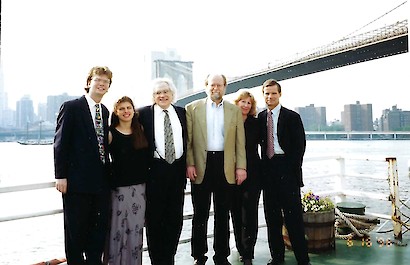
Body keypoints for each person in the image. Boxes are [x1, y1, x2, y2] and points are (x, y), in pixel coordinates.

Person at [186, 74, 247, 265]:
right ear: (206, 87)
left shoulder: (233, 110)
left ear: (225, 87)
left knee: (222, 213)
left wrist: (241, 167)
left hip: (225, 165)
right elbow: (189, 141)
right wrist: (190, 163)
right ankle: (199, 256)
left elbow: (240, 142)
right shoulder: (192, 108)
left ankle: (221, 256)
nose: (215, 88)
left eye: (219, 85)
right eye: (212, 85)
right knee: (200, 213)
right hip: (201, 165)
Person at [54, 66, 113, 265]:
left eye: (106, 82)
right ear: (89, 82)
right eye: (98, 80)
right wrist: (60, 176)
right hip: (77, 183)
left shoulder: (104, 111)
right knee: (75, 235)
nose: (102, 84)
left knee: (97, 235)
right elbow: (60, 143)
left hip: (100, 183)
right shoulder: (71, 107)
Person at [257, 79, 311, 265]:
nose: (270, 96)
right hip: (268, 172)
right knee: (272, 220)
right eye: (266, 93)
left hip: (287, 170)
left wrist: (291, 170)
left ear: (280, 94)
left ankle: (303, 260)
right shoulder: (261, 117)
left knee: (294, 219)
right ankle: (277, 258)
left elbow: (300, 147)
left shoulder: (292, 117)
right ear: (263, 95)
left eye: (273, 93)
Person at [138, 78, 187, 265]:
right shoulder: (143, 114)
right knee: (154, 220)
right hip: (155, 172)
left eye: (165, 91)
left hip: (177, 171)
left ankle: (170, 258)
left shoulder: (182, 113)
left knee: (175, 219)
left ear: (172, 94)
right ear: (153, 96)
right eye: (158, 93)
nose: (162, 95)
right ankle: (157, 261)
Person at [104, 96, 149, 265]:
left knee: (135, 231)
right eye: (121, 108)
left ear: (133, 110)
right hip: (118, 191)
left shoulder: (141, 130)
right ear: (116, 112)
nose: (126, 111)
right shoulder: (110, 133)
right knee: (116, 231)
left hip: (139, 189)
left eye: (129, 108)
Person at [231, 90, 261, 265]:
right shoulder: (229, 122)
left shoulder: (256, 123)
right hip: (232, 172)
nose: (245, 105)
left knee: (250, 212)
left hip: (253, 172)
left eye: (248, 103)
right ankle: (240, 248)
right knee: (235, 211)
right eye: (242, 102)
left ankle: (249, 252)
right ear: (236, 103)